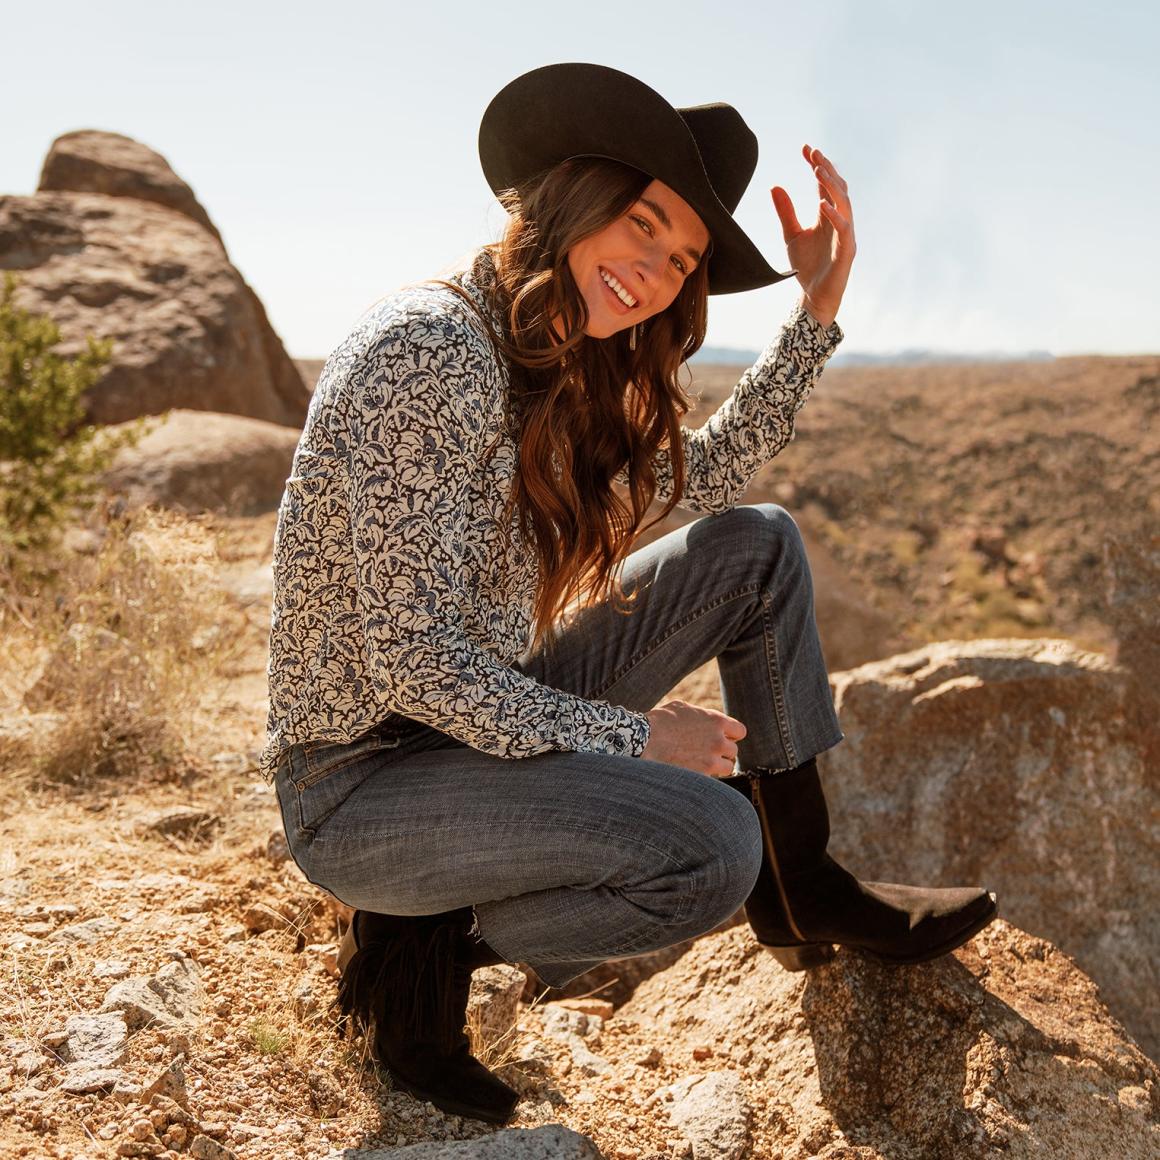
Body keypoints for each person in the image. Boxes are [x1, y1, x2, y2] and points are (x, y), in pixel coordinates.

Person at [262, 63, 998, 1125]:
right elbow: (413, 664)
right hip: (363, 785)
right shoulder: (428, 350)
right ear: (576, 193)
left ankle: (804, 882)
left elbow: (696, 479)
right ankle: (419, 940)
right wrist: (634, 736)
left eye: (682, 258)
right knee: (710, 848)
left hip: (474, 728)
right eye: (643, 224)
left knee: (756, 547)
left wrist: (816, 312)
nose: (653, 272)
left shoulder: (545, 361)